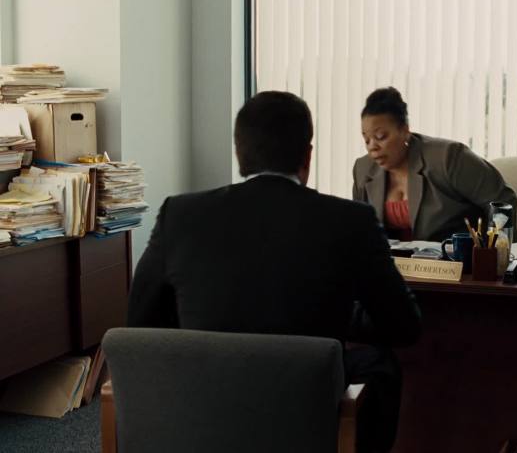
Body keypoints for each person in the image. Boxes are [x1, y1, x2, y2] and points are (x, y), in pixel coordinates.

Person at [128, 91, 421, 453]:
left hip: (204, 409)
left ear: (239, 154)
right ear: (307, 156)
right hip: (304, 410)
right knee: (381, 365)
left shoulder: (180, 214)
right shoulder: (351, 221)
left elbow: (139, 321)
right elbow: (403, 327)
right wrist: (339, 312)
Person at [353, 87, 517, 242]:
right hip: (393, 262)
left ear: (405, 131)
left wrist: (494, 252)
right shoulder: (363, 170)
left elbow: (502, 201)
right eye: (366, 139)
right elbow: (360, 228)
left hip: (455, 259)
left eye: (380, 136)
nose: (372, 146)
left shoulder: (448, 158)